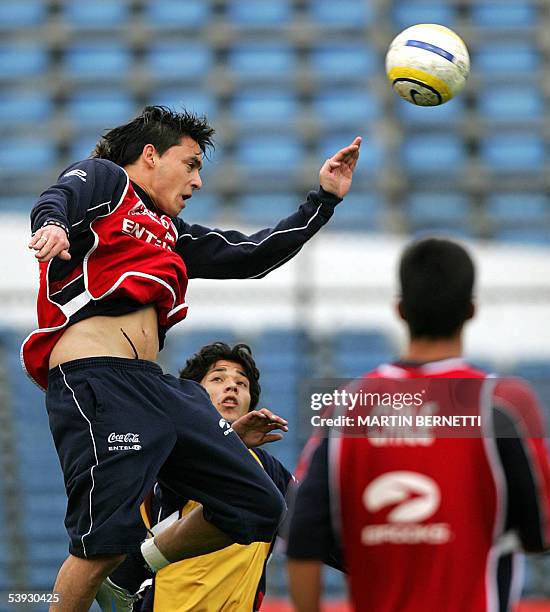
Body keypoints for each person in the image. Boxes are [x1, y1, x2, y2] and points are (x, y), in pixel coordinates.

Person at [21, 105, 361, 611]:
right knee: (100, 547)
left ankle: (137, 569)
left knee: (259, 502)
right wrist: (53, 225)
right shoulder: (107, 181)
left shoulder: (172, 233)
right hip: (97, 380)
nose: (198, 181)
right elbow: (60, 196)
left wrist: (324, 200)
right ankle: (116, 569)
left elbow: (254, 254)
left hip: (154, 386)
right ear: (151, 155)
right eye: (192, 163)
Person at [287, 237, 550, 612]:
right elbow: (539, 534)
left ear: (400, 310)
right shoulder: (503, 404)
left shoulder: (347, 409)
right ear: (471, 311)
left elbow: (302, 538)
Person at [96, 341, 294, 611]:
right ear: (193, 396)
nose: (232, 386)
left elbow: (311, 526)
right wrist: (231, 441)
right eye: (218, 378)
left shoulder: (272, 472)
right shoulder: (169, 445)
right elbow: (183, 480)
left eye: (242, 383)